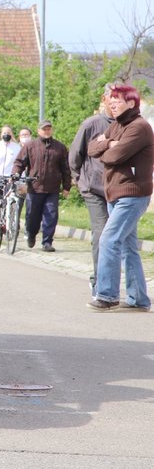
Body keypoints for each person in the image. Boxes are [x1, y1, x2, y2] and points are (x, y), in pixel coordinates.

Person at [86, 84, 154, 311]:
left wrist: (107, 147)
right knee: (127, 246)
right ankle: (138, 299)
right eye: (110, 100)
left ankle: (107, 295)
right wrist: (108, 143)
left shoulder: (139, 127)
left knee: (109, 239)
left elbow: (114, 156)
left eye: (117, 100)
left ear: (132, 103)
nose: (112, 103)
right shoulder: (116, 125)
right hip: (114, 193)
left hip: (132, 194)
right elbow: (91, 148)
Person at [69, 85, 114, 293]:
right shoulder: (91, 124)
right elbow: (75, 155)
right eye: (111, 98)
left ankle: (113, 282)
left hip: (118, 190)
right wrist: (79, 180)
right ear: (104, 99)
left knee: (118, 237)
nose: (115, 103)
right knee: (102, 232)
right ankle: (100, 282)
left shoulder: (127, 125)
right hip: (94, 189)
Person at [12, 119, 71, 252]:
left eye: (49, 129)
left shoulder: (60, 148)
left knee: (51, 214)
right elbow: (19, 162)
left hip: (52, 188)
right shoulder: (30, 146)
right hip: (34, 188)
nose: (47, 131)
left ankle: (47, 242)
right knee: (32, 215)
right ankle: (31, 234)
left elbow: (65, 168)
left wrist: (66, 186)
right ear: (39, 131)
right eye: (44, 129)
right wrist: (16, 174)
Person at [0, 125, 21, 193]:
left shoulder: (17, 148)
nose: (6, 134)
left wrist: (20, 182)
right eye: (4, 133)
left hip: (11, 181)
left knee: (10, 202)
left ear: (11, 134)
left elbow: (20, 164)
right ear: (1, 134)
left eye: (8, 133)